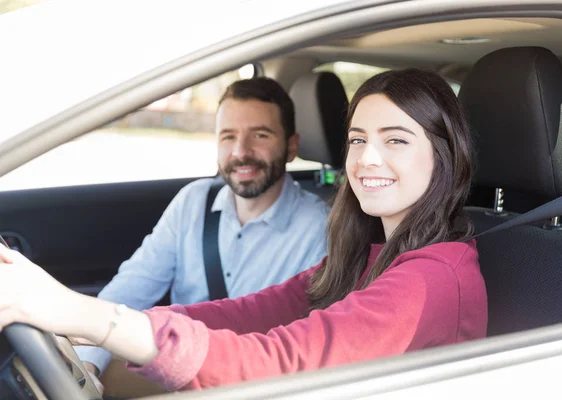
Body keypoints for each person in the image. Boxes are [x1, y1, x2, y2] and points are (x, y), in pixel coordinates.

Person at [0, 69, 488, 392]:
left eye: (396, 140)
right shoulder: (365, 256)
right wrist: (86, 322)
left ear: (444, 156)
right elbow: (246, 313)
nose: (368, 159)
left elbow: (285, 362)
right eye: (358, 139)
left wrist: (88, 317)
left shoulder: (431, 281)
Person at [76, 77, 330, 377]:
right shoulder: (193, 203)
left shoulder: (320, 228)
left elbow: (306, 343)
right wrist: (87, 363)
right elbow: (131, 289)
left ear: (291, 146)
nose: (241, 151)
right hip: (178, 374)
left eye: (260, 135)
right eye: (228, 136)